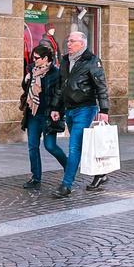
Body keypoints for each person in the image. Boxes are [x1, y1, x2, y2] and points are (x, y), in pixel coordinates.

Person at [49, 32, 110, 198]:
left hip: (85, 108)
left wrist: (104, 110)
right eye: (68, 40)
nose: (68, 43)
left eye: (72, 41)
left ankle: (66, 185)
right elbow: (61, 86)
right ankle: (100, 173)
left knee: (74, 147)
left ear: (82, 43)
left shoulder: (92, 61)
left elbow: (101, 87)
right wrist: (56, 108)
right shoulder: (65, 60)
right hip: (69, 109)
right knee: (81, 147)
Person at [20, 45, 66, 190]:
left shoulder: (55, 73)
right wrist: (26, 79)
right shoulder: (31, 70)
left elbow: (59, 94)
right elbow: (26, 90)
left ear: (46, 58)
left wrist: (56, 110)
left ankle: (69, 167)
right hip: (33, 114)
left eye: (36, 58)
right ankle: (35, 178)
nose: (34, 61)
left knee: (50, 146)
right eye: (33, 58)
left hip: (47, 115)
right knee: (32, 147)